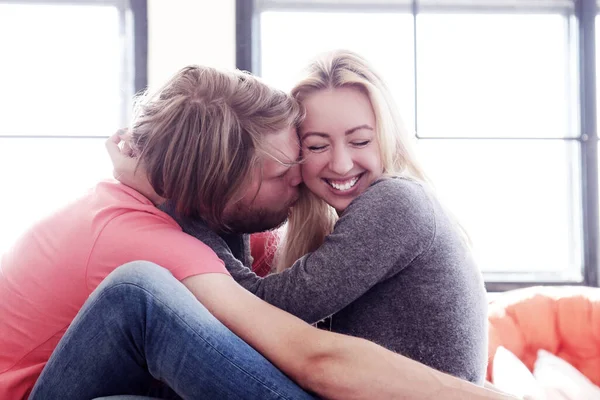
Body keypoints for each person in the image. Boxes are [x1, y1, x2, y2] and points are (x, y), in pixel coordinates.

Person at [0, 65, 512, 400]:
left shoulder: (394, 202)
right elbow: (287, 326)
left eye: (359, 139)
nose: (303, 178)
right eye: (299, 157)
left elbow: (268, 295)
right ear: (220, 191)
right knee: (139, 294)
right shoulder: (147, 238)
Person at [117, 50, 488, 384]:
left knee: (139, 295)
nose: (341, 163)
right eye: (317, 145)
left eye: (360, 141)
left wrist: (170, 193)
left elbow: (263, 307)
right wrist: (229, 195)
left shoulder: (396, 203)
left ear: (388, 138)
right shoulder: (362, 215)